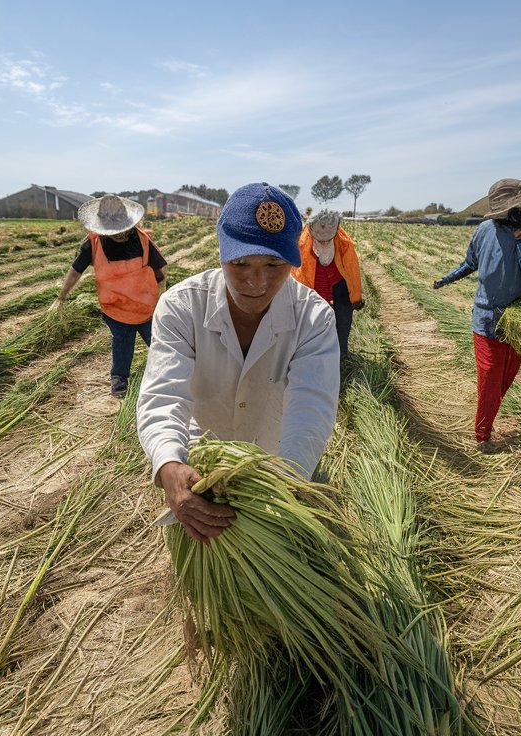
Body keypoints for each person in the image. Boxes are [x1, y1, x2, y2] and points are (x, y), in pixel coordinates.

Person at [138, 183, 341, 544]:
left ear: (293, 258)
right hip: (201, 467)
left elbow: (312, 405)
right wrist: (169, 464)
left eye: (274, 265)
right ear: (221, 254)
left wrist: (286, 480)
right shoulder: (181, 307)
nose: (256, 282)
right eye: (240, 263)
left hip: (277, 460)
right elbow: (164, 394)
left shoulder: (315, 318)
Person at [433, 179, 521, 451]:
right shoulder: (485, 231)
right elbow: (471, 262)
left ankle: (490, 412)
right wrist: (447, 279)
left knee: (506, 377)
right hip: (486, 319)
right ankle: (482, 434)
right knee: (489, 376)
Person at [58, 195, 168, 397]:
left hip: (147, 308)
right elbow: (75, 271)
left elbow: (161, 271)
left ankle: (166, 375)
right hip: (116, 309)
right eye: (114, 230)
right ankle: (119, 379)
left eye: (122, 229)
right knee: (122, 344)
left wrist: (162, 298)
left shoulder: (143, 240)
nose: (119, 234)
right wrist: (62, 297)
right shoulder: (94, 244)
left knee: (160, 344)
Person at [291, 210, 364, 362]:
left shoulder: (343, 242)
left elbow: (352, 270)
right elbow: (297, 273)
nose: (324, 242)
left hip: (338, 281)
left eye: (327, 239)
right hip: (314, 284)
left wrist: (356, 298)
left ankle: (341, 352)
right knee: (314, 319)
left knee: (343, 316)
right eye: (320, 240)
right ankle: (315, 352)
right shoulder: (303, 243)